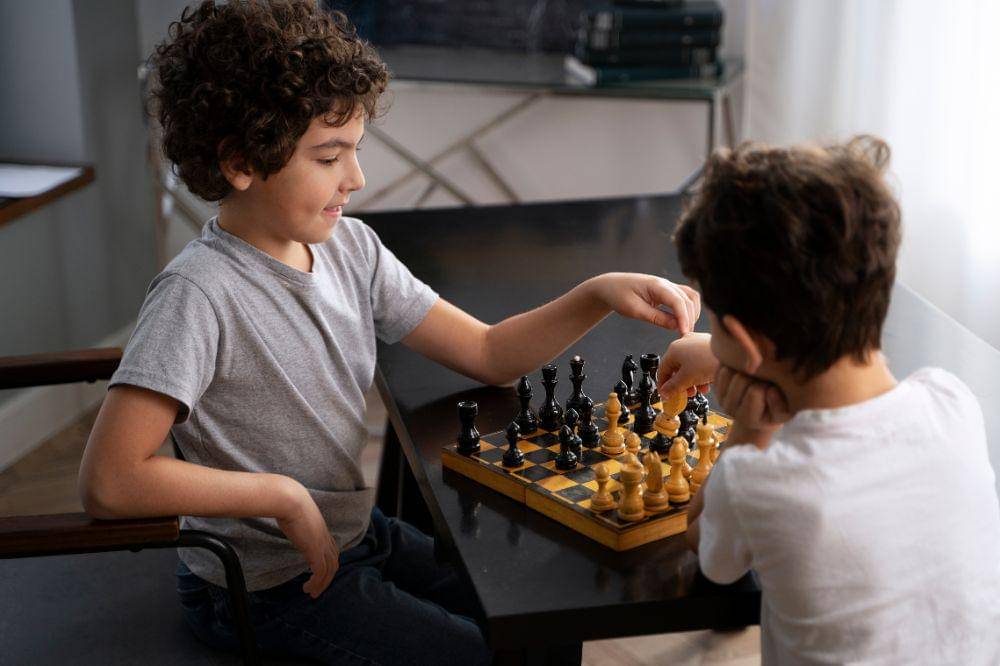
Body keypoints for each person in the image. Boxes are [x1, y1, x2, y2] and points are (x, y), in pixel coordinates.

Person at [76, 2, 700, 664]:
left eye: (356, 151)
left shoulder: (352, 249)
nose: (357, 177)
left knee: (534, 622)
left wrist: (595, 293)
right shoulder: (197, 295)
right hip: (261, 588)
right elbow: (111, 480)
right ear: (240, 161)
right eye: (328, 156)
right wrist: (279, 495)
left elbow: (489, 354)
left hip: (353, 536)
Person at [656, 136, 1000, 664]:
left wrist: (750, 428)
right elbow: (851, 421)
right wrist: (732, 355)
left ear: (748, 346)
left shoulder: (759, 482)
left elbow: (708, 551)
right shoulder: (953, 402)